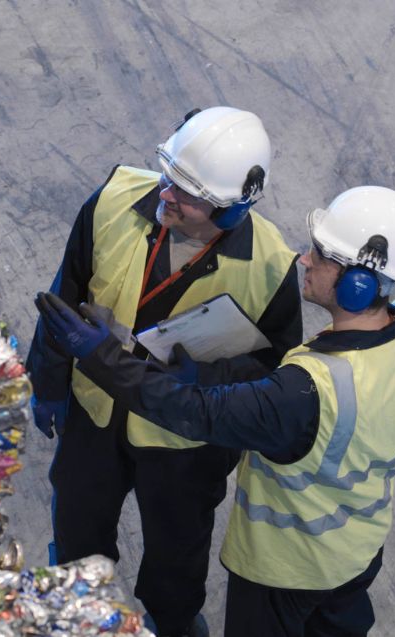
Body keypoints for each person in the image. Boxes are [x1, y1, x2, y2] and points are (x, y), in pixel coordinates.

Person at [35, 185, 395, 637]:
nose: (304, 259)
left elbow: (191, 411)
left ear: (360, 284)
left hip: (287, 568)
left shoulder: (309, 388)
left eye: (322, 254)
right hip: (358, 551)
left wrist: (100, 356)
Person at [25, 106, 302, 636]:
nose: (165, 195)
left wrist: (202, 380)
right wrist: (49, 382)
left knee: (177, 553)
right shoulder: (113, 199)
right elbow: (66, 293)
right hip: (97, 412)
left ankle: (173, 622)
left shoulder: (271, 267)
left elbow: (277, 372)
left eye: (186, 192)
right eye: (168, 176)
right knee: (79, 527)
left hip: (185, 442)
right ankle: (80, 612)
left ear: (228, 212)